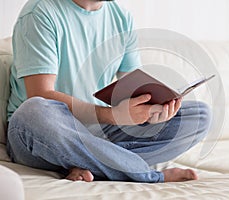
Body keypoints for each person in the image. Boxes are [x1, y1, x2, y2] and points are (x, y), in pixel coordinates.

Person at [7, 0, 211, 183]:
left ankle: (88, 162)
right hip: (43, 132)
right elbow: (41, 94)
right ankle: (143, 174)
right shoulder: (40, 12)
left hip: (97, 130)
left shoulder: (121, 17)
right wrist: (112, 115)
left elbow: (132, 87)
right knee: (33, 111)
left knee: (199, 116)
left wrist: (149, 114)